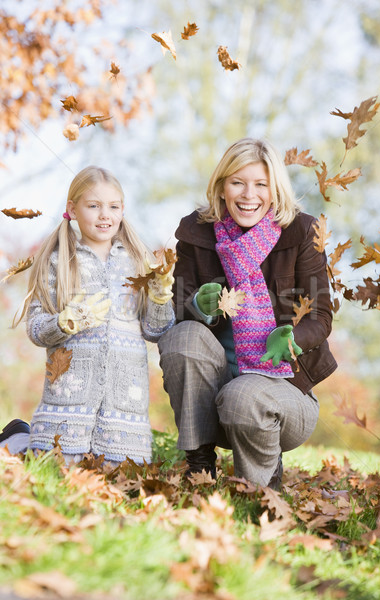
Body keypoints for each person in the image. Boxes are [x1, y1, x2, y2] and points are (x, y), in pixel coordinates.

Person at [158, 138, 337, 489]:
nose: (248, 194)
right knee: (182, 337)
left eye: (260, 184)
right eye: (238, 182)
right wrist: (198, 307)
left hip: (284, 393)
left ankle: (263, 490)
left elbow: (322, 318)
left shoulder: (301, 232)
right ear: (222, 187)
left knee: (245, 395)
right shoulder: (196, 233)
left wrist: (292, 337)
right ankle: (199, 465)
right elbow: (178, 307)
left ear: (275, 190)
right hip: (210, 396)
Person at [0, 166, 175, 466]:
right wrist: (66, 322)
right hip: (65, 415)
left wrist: (160, 299)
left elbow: (156, 331)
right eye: (93, 206)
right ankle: (18, 438)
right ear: (73, 209)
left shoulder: (139, 264)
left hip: (124, 421)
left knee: (121, 478)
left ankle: (24, 439)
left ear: (123, 210)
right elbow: (37, 329)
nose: (104, 215)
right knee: (54, 467)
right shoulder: (58, 262)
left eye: (113, 206)